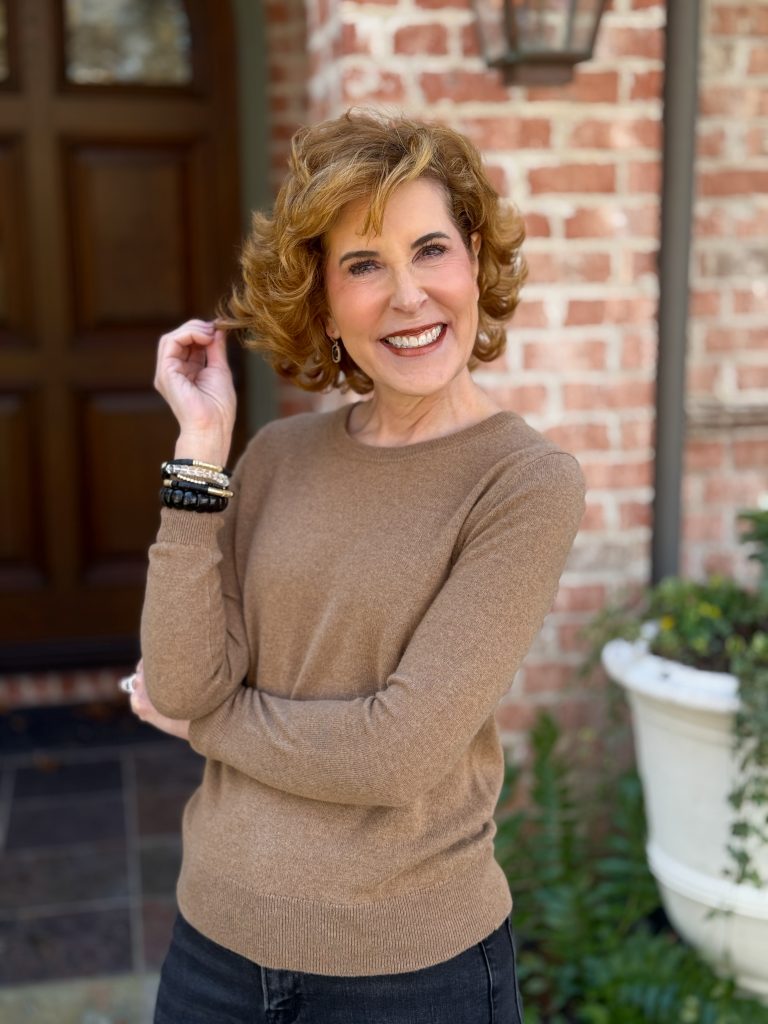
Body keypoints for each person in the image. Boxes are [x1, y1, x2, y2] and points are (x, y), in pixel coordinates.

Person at [126, 108, 585, 1024]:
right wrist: (203, 447)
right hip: (213, 949)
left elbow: (393, 754)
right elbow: (180, 678)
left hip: (411, 976)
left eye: (431, 250)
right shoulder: (273, 457)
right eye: (365, 265)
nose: (409, 295)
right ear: (323, 301)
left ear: (476, 264)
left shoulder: (524, 483)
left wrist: (202, 729)